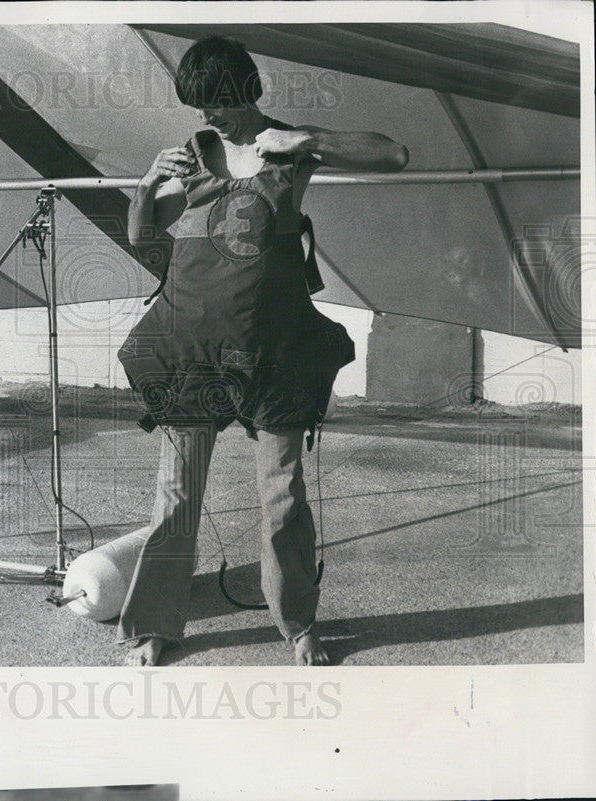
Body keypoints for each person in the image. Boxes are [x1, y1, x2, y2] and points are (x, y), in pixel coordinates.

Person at [117, 36, 408, 667]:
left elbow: (394, 153)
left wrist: (306, 140)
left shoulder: (290, 148)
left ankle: (298, 623)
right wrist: (146, 182)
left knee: (281, 500)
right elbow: (143, 237)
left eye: (217, 101)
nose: (209, 116)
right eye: (198, 105)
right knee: (176, 497)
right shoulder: (192, 157)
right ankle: (155, 626)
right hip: (189, 349)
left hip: (275, 353)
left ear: (247, 88)